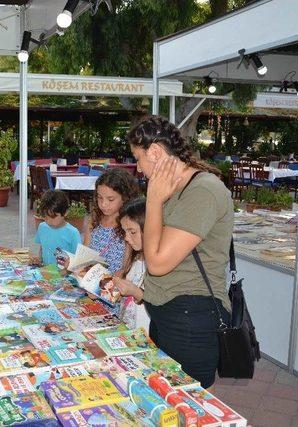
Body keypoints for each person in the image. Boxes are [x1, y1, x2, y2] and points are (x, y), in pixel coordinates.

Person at [126, 115, 233, 389]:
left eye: (139, 158)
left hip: (190, 316)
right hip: (164, 311)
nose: (138, 168)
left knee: (185, 403)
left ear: (156, 152)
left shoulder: (203, 190)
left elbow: (158, 263)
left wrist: (153, 199)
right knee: (162, 399)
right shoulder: (174, 188)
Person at [84, 168, 139, 276]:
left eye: (110, 199)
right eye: (100, 198)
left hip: (113, 285)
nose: (104, 204)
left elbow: (125, 267)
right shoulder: (94, 220)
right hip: (90, 280)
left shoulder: (129, 226)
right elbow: (84, 253)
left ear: (125, 198)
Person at [107, 197, 151, 331]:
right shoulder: (135, 259)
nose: (126, 237)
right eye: (125, 231)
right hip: (128, 330)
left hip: (146, 332)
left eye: (132, 232)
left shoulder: (158, 266)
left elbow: (158, 304)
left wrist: (135, 292)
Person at [34, 190, 81, 266]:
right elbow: (43, 247)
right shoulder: (42, 227)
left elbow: (78, 260)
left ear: (65, 212)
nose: (48, 221)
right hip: (46, 272)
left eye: (53, 217)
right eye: (45, 217)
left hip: (64, 275)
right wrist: (39, 259)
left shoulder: (72, 233)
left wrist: (66, 271)